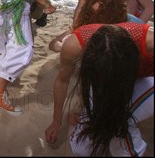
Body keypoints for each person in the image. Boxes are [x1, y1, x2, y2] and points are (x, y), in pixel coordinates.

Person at [44, 22, 153, 151]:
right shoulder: (75, 45)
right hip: (105, 88)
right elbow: (62, 81)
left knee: (118, 121)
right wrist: (56, 121)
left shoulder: (149, 42)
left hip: (145, 82)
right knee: (80, 148)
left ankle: (135, 151)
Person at [49, 0, 143, 53]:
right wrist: (63, 47)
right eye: (93, 12)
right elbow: (53, 43)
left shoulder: (131, 24)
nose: (98, 17)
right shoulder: (89, 20)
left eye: (102, 12)